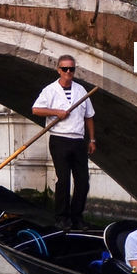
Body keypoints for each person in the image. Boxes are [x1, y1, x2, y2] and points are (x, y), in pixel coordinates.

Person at [31, 54, 96, 229]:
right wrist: (56, 112)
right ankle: (61, 218)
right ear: (59, 70)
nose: (68, 72)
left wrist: (92, 139)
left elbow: (89, 116)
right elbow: (36, 109)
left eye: (72, 69)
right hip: (59, 139)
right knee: (64, 180)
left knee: (83, 181)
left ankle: (76, 217)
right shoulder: (50, 90)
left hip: (78, 140)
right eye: (65, 69)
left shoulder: (81, 91)